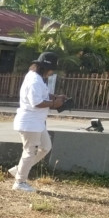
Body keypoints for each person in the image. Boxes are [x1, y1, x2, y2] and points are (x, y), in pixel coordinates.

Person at [9, 51, 68, 193]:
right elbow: (36, 102)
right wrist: (55, 103)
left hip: (37, 123)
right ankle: (20, 182)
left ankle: (19, 170)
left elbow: (42, 95)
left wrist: (55, 97)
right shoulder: (35, 80)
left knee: (45, 147)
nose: (52, 72)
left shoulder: (36, 78)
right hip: (30, 123)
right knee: (30, 152)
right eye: (51, 69)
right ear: (45, 68)